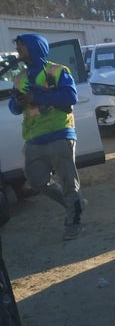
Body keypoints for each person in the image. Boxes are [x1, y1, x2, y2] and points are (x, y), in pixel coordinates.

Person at [8, 34, 85, 240]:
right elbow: (14, 108)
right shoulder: (20, 77)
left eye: (21, 47)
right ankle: (74, 202)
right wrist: (18, 101)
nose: (18, 52)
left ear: (33, 48)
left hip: (60, 134)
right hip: (34, 139)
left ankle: (74, 221)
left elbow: (71, 97)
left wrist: (38, 96)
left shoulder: (57, 71)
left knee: (69, 181)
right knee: (36, 181)